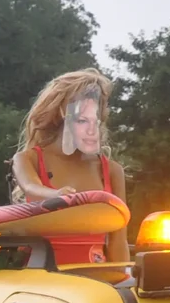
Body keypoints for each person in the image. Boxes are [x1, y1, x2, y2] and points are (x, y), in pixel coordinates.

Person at [10, 68, 130, 261]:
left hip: (96, 277)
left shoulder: (111, 171)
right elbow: (31, 187)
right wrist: (56, 196)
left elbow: (118, 240)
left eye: (95, 120)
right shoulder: (27, 159)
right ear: (61, 113)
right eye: (82, 119)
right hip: (43, 277)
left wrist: (123, 279)